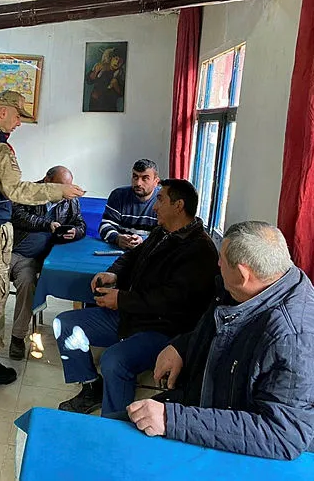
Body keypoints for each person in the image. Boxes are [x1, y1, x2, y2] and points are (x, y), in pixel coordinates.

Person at [127, 221, 314, 460]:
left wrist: (172, 419)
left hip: (237, 441)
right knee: (119, 428)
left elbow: (283, 435)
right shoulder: (259, 283)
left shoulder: (293, 337)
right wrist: (182, 346)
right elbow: (220, 326)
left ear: (244, 273)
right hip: (202, 401)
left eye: (222, 260)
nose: (217, 264)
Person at [0, 91, 85, 388]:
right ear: (3, 112)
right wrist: (58, 192)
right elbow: (17, 192)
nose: (20, 122)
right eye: (19, 115)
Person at [55, 179, 218, 416]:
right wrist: (113, 273)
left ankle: (115, 422)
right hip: (133, 315)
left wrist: (121, 300)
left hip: (165, 329)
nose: (154, 207)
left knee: (114, 361)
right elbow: (132, 257)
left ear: (179, 205)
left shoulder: (200, 251)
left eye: (160, 200)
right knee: (66, 324)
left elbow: (171, 301)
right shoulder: (164, 232)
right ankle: (91, 387)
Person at [0, 165, 86, 360]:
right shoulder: (28, 191)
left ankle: (18, 337)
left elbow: (80, 224)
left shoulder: (69, 202)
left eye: (68, 187)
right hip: (7, 252)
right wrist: (46, 225)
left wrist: (75, 232)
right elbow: (17, 216)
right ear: (47, 180)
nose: (66, 191)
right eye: (61, 186)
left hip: (32, 259)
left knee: (28, 283)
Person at [99, 159, 160, 250]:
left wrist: (143, 240)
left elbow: (167, 234)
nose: (138, 183)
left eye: (145, 178)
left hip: (149, 252)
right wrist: (117, 238)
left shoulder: (163, 200)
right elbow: (105, 226)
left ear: (156, 182)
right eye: (135, 177)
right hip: (119, 250)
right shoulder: (118, 195)